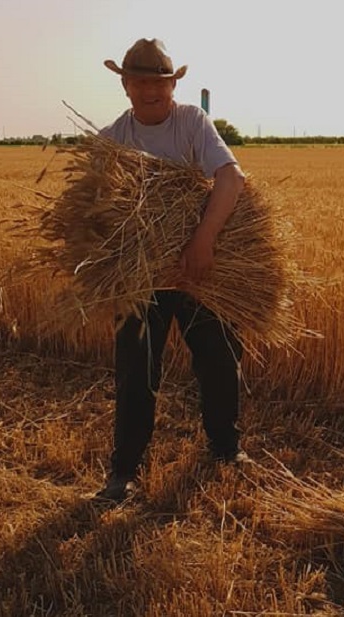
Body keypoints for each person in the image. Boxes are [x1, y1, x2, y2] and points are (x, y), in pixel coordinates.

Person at [94, 38, 248, 502]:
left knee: (221, 360)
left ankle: (225, 450)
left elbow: (231, 178)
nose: (151, 91)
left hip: (199, 272)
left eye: (160, 82)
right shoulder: (112, 141)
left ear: (173, 84)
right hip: (143, 280)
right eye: (140, 81)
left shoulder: (191, 122)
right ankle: (125, 471)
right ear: (124, 85)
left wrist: (201, 243)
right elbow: (98, 214)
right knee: (135, 372)